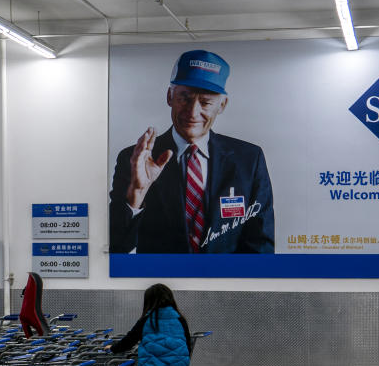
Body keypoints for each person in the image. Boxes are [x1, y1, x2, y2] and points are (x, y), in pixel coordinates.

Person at [110, 49, 274, 254]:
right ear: (170, 96)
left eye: (205, 102)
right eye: (184, 98)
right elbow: (117, 246)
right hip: (161, 283)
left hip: (225, 283)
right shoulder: (134, 160)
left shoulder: (249, 159)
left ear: (222, 105)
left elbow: (260, 245)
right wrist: (136, 193)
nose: (193, 112)